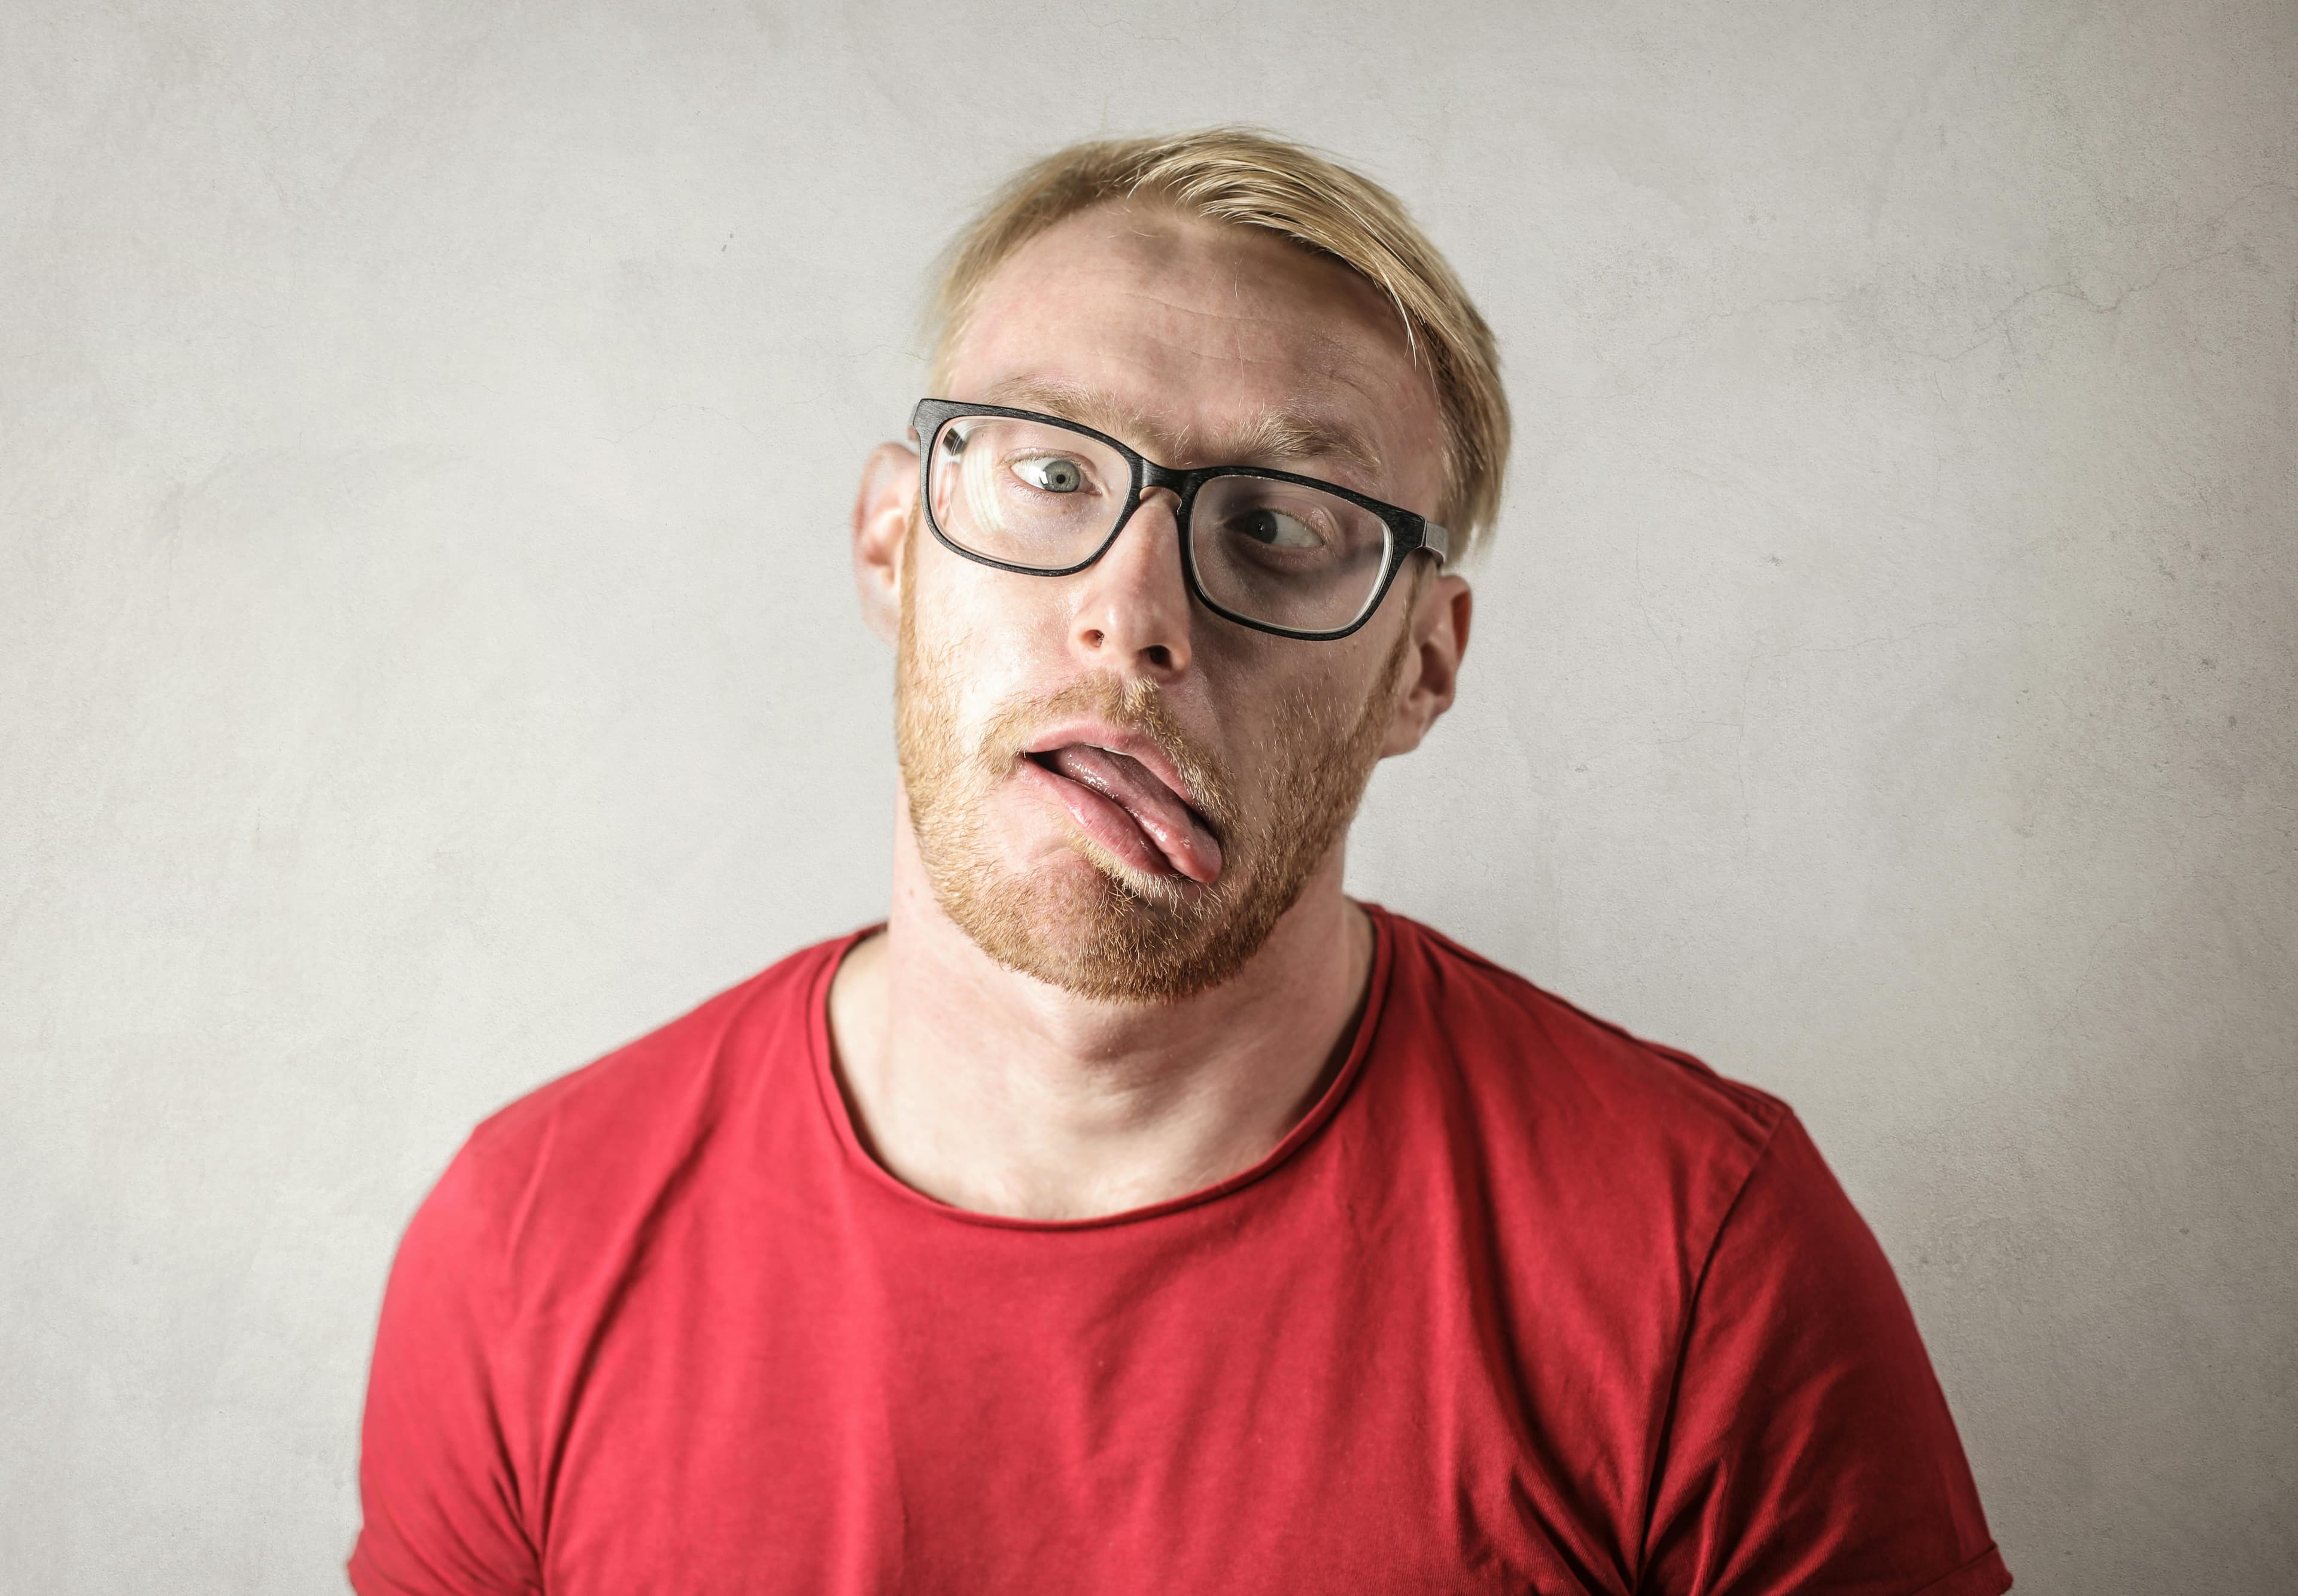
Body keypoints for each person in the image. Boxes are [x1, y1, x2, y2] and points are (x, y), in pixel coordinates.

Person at [349, 129, 2012, 1595]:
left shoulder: (1708, 1259)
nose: (1133, 613)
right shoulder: (528, 1245)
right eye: (1050, 470)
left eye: (1277, 524)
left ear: (1422, 668)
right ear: (892, 544)